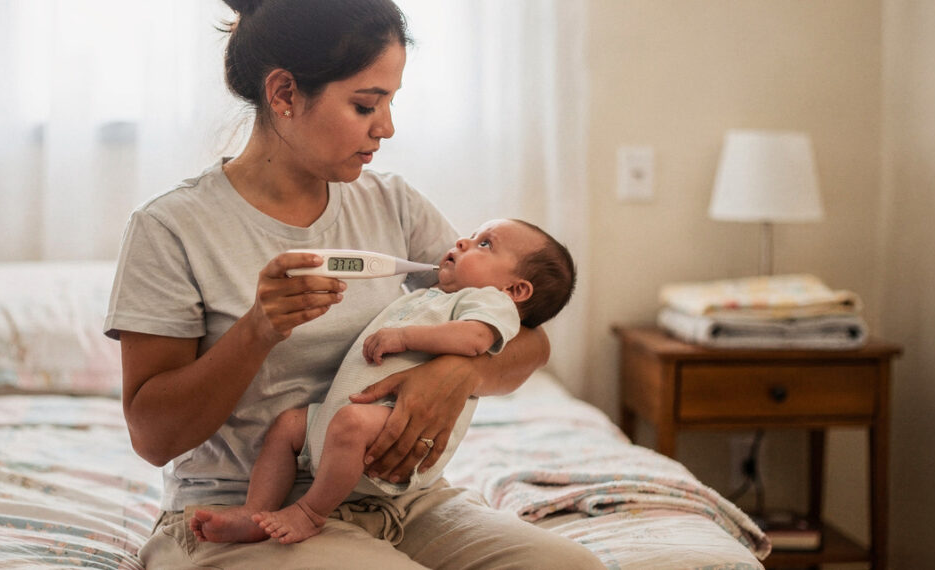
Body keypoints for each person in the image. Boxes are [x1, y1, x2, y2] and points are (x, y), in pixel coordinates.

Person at [104, 0, 604, 567]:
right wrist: (257, 330)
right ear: (286, 94)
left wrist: (460, 372)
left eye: (390, 102)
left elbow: (530, 341)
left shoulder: (393, 204)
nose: (386, 127)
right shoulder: (170, 229)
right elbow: (153, 437)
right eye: (366, 104)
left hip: (400, 503)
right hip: (241, 510)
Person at [189, 218, 577, 545]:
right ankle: (254, 511)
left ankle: (309, 511)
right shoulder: (437, 295)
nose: (462, 241)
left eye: (485, 243)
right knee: (288, 425)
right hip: (340, 422)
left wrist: (405, 338)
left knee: (351, 423)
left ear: (515, 290)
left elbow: (476, 339)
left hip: (390, 429)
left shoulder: (490, 303)